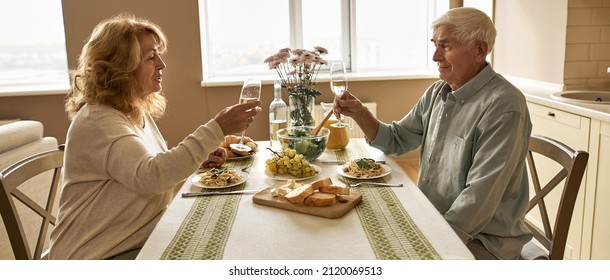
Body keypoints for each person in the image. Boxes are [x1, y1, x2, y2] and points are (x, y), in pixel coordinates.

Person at [49, 13, 262, 260]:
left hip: (133, 243)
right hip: (96, 255)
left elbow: (149, 176)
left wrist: (195, 162)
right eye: (150, 57)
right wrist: (218, 128)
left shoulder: (132, 111)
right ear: (120, 67)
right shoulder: (99, 121)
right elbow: (153, 177)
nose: (161, 64)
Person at [334, 7, 532, 260]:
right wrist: (359, 112)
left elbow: (478, 199)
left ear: (479, 50)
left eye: (446, 46)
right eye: (435, 44)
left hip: (481, 240)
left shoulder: (505, 105)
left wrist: (428, 243)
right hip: (435, 219)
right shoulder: (437, 92)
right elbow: (396, 140)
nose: (436, 56)